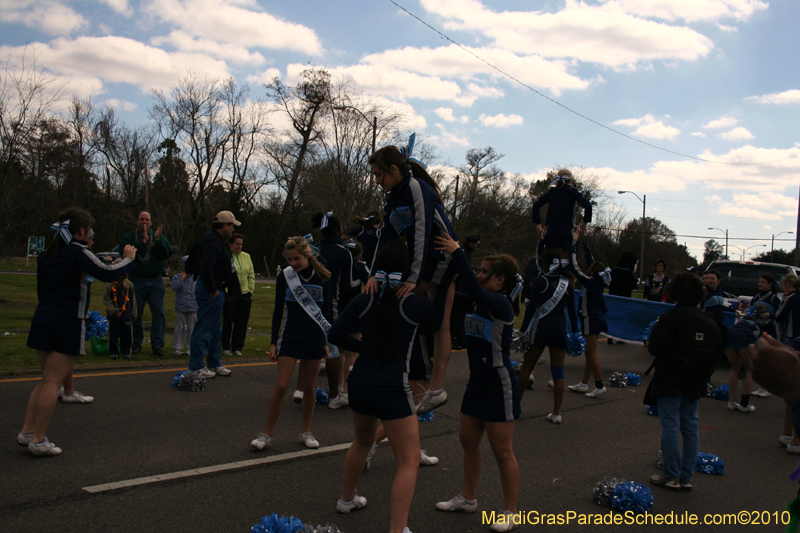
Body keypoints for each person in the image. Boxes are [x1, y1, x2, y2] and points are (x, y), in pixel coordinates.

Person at [327, 240, 437, 533]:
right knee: (408, 459)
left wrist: (361, 348)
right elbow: (441, 327)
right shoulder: (417, 304)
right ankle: (397, 529)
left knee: (361, 442)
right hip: (393, 387)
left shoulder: (365, 297)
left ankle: (346, 499)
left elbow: (335, 332)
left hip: (360, 382)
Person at [19, 207, 136, 456]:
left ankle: (27, 431)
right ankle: (38, 440)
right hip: (67, 320)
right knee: (53, 381)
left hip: (43, 317)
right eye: (89, 230)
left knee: (45, 379)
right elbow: (107, 273)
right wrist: (128, 258)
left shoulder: (46, 255)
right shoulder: (78, 252)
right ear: (82, 230)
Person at [433, 231, 522, 532]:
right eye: (479, 270)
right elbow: (451, 292)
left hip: (499, 386)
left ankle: (511, 511)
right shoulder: (476, 301)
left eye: (485, 272)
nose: (480, 275)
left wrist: (458, 252)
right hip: (477, 384)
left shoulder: (500, 304)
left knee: (502, 451)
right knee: (468, 442)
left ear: (501, 281)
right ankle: (468, 498)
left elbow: (470, 285)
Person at [366, 134, 458, 415]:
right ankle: (411, 375)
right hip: (424, 261)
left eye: (379, 174)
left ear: (394, 170)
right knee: (404, 305)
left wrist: (413, 278)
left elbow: (421, 232)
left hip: (442, 256)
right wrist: (374, 274)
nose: (377, 181)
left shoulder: (417, 188)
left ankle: (436, 387)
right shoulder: (392, 199)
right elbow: (386, 239)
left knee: (440, 322)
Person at [646, 273, 726, 491]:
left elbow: (655, 347)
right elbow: (719, 348)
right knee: (691, 425)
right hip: (697, 379)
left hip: (671, 377)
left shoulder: (672, 317)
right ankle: (686, 476)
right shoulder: (710, 320)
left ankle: (671, 474)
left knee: (670, 425)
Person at [251, 236, 330, 451]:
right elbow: (278, 310)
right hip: (290, 335)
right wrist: (273, 342)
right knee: (282, 386)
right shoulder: (285, 277)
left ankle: (306, 431)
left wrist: (326, 341)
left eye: (297, 259)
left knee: (310, 387)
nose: (293, 263)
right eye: (290, 259)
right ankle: (267, 434)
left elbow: (326, 313)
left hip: (314, 337)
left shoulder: (321, 277)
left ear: (306, 256)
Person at [518, 248, 578, 423]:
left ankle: (515, 409)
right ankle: (556, 413)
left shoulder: (539, 282)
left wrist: (523, 331)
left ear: (544, 264)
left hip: (541, 328)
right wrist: (574, 333)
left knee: (527, 368)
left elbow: (531, 310)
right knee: (558, 371)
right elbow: (573, 312)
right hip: (560, 328)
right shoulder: (567, 282)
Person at [185, 211, 242, 378]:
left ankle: (214, 362)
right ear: (225, 225)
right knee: (204, 328)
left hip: (216, 289)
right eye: (231, 226)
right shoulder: (213, 243)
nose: (232, 229)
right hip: (211, 290)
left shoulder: (216, 241)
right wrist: (213, 290)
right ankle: (195, 366)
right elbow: (205, 268)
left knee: (216, 329)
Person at [314, 212, 356, 409]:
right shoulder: (343, 252)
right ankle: (335, 392)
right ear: (338, 231)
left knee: (312, 347)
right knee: (333, 349)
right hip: (332, 305)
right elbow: (347, 285)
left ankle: (303, 389)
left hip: (311, 303)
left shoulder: (314, 249)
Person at [119, 211, 173, 356]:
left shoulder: (157, 236)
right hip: (137, 280)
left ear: (151, 222)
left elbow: (167, 253)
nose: (144, 222)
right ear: (137, 221)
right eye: (142, 219)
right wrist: (141, 241)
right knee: (136, 314)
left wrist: (158, 240)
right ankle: (136, 343)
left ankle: (157, 345)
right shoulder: (131, 237)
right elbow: (123, 252)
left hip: (155, 280)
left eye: (147, 220)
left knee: (159, 314)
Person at [566, 234, 610, 398]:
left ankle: (599, 385)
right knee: (590, 353)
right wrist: (586, 247)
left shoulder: (590, 281)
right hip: (594, 317)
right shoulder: (597, 279)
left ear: (593, 271)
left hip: (590, 318)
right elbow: (591, 262)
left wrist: (574, 246)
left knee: (591, 354)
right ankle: (584, 384)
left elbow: (574, 267)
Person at [531, 169, 592, 253]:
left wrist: (538, 224)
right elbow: (588, 206)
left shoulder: (552, 192)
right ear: (571, 180)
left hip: (552, 231)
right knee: (568, 260)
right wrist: (584, 222)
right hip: (566, 231)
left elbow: (536, 205)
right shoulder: (572, 191)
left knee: (549, 258)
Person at [745, 274, 780, 398]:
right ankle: (761, 386)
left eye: (763, 282)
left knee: (768, 360)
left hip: (769, 331)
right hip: (757, 329)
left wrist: (769, 315)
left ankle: (768, 387)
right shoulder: (756, 297)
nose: (760, 284)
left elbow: (780, 315)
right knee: (758, 360)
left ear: (770, 284)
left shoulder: (774, 298)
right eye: (759, 281)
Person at [222, 233, 255, 357]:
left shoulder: (246, 256)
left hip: (245, 294)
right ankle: (225, 346)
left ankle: (237, 347)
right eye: (237, 244)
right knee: (227, 321)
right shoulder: (227, 256)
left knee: (241, 322)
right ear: (230, 244)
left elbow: (251, 274)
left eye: (241, 244)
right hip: (230, 294)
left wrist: (250, 290)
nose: (239, 246)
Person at [103, 260, 137, 360]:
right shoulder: (110, 285)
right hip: (114, 316)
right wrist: (113, 311)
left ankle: (126, 352)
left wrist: (134, 314)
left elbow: (133, 300)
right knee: (113, 335)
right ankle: (113, 352)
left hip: (126, 314)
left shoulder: (129, 285)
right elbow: (107, 300)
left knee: (127, 335)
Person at [170, 256, 197, 356]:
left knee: (191, 328)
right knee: (180, 327)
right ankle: (177, 348)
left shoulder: (196, 278)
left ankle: (190, 348)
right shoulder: (177, 277)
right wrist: (181, 278)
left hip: (192, 306)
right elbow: (174, 287)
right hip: (181, 306)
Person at [776, 274, 800, 341]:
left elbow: (779, 316)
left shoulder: (790, 299)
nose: (782, 289)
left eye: (783, 286)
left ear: (788, 285)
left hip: (792, 333)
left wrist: (783, 301)